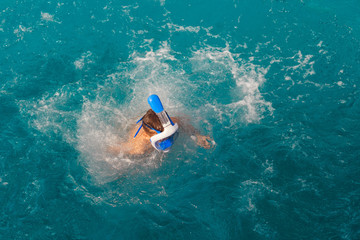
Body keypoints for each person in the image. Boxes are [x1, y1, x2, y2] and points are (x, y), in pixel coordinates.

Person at [108, 95, 213, 156]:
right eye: (163, 139)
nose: (168, 140)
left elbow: (185, 124)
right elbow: (121, 149)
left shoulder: (171, 122)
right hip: (135, 134)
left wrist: (198, 136)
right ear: (147, 136)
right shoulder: (139, 147)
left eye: (169, 135)